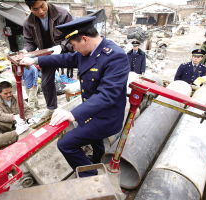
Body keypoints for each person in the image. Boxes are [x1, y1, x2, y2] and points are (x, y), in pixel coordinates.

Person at [20, 16, 130, 177]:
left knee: (66, 144)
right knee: (96, 143)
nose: (74, 49)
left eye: (74, 45)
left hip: (106, 118)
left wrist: (73, 113)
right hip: (91, 113)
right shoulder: (89, 51)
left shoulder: (115, 56)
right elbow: (64, 58)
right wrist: (35, 60)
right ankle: (96, 160)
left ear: (84, 39)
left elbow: (107, 95)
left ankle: (91, 178)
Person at [23, 0, 73, 119]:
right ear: (30, 9)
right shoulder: (29, 22)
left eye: (42, 6)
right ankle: (51, 109)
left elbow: (74, 34)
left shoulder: (62, 14)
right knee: (45, 83)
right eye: (35, 9)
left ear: (46, 1)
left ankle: (89, 101)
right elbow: (29, 42)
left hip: (66, 51)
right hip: (47, 54)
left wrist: (62, 46)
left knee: (85, 72)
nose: (40, 11)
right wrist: (26, 51)